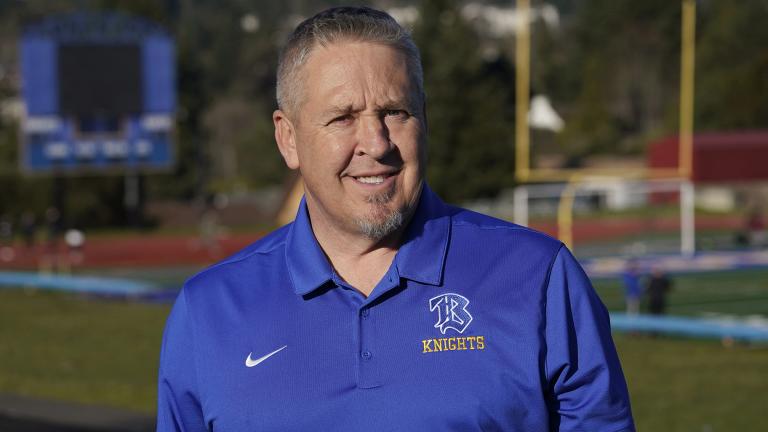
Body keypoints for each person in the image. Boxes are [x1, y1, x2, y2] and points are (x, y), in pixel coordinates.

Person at [157, 7, 635, 431]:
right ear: (288, 139)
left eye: (395, 112)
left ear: (424, 119)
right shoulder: (209, 312)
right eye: (343, 118)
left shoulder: (538, 278)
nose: (377, 143)